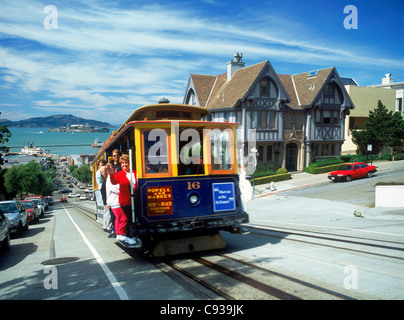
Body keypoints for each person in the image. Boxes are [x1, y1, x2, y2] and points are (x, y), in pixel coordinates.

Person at [106, 154, 140, 247]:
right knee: (128, 219)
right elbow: (113, 182)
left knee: (135, 218)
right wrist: (111, 173)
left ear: (130, 163)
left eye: (126, 163)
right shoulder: (119, 174)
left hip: (135, 200)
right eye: (122, 163)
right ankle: (128, 236)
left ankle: (133, 235)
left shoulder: (135, 173)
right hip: (125, 201)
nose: (124, 165)